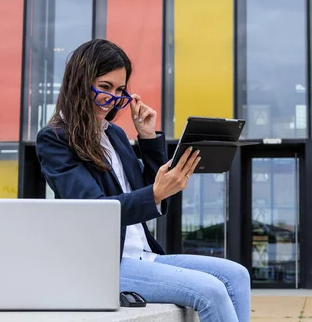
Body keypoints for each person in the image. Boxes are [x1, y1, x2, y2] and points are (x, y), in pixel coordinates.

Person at [35, 39, 251, 322]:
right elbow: (96, 210)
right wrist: (155, 194)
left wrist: (148, 139)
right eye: (104, 87)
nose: (112, 98)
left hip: (144, 256)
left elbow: (145, 193)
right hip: (105, 264)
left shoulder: (115, 135)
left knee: (237, 274)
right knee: (210, 290)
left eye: (120, 90)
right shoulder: (55, 139)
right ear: (80, 83)